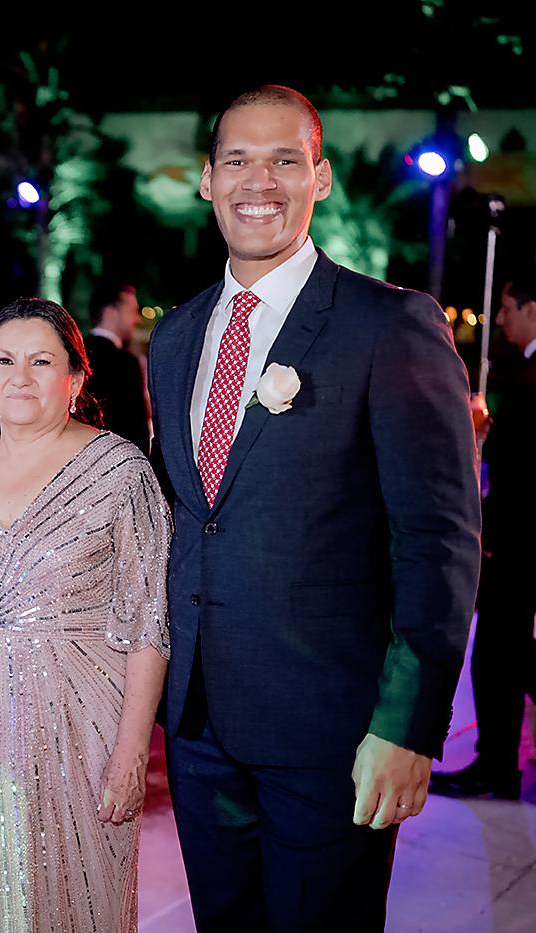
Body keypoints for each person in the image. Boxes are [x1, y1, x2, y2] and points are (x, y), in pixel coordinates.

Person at [147, 86, 481, 931]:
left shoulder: (388, 323)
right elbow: (190, 518)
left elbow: (439, 537)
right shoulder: (178, 336)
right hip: (197, 729)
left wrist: (408, 726)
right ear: (207, 181)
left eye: (284, 160)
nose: (259, 180)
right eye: (237, 160)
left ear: (319, 178)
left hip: (331, 732)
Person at [0, 298, 170, 932]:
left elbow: (149, 621)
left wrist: (131, 757)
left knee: (82, 898)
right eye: (4, 360)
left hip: (82, 724)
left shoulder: (120, 472)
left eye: (42, 362)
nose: (21, 377)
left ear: (75, 376)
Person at [431, 262, 536, 800]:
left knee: (500, 652)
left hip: (522, 540)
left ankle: (497, 766)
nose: (500, 319)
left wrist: (477, 433)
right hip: (535, 539)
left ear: (532, 309)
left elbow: (522, 473)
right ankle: (498, 763)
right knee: (504, 650)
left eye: (507, 309)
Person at [85, 283, 150, 452]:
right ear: (111, 312)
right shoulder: (125, 362)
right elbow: (136, 427)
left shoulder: (73, 354)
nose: (137, 319)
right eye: (132, 311)